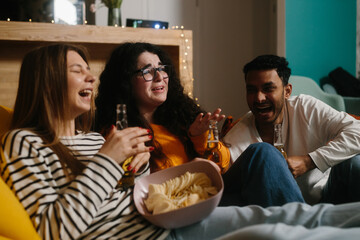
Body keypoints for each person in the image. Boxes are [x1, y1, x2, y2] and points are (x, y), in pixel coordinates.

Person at [3, 43, 360, 240]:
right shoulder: (27, 142)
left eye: (163, 69)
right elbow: (54, 229)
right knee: (280, 222)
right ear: (48, 80)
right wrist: (113, 162)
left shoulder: (94, 140)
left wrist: (200, 142)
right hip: (164, 222)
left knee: (295, 214)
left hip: (178, 211)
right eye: (77, 70)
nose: (90, 77)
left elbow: (223, 164)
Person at [94, 42, 305, 207]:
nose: (159, 76)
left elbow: (223, 165)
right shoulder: (119, 133)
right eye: (147, 71)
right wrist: (197, 169)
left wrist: (200, 137)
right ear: (125, 81)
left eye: (162, 68)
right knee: (264, 157)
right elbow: (137, 190)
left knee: (262, 154)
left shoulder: (182, 116)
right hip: (181, 206)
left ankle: (302, 223)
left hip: (212, 192)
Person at [224, 54, 360, 205]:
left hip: (327, 194)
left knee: (354, 163)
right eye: (251, 90)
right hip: (284, 208)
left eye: (268, 88)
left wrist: (309, 161)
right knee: (262, 152)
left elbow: (357, 131)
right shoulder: (236, 137)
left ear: (287, 91)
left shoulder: (305, 108)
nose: (259, 98)